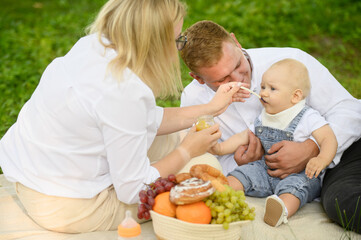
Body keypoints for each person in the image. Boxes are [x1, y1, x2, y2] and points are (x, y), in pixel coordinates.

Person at [0, 2, 242, 234]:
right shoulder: (124, 92)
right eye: (177, 40)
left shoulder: (95, 45)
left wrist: (210, 108)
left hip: (32, 172)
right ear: (154, 44)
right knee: (201, 179)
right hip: (67, 205)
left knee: (189, 147)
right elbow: (133, 190)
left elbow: (140, 119)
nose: (177, 49)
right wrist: (186, 151)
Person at [180, 20, 361, 232]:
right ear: (198, 79)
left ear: (236, 42)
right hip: (263, 173)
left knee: (345, 201)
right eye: (223, 79)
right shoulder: (194, 101)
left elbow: (349, 110)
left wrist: (312, 148)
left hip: (338, 154)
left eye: (238, 65)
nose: (239, 80)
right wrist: (239, 162)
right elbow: (210, 156)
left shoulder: (290, 62)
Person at [210, 59, 337, 227]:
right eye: (262, 87)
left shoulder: (307, 116)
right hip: (266, 169)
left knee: (296, 189)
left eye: (272, 88)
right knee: (243, 173)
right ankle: (221, 193)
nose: (263, 93)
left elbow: (329, 139)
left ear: (295, 96)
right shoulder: (264, 115)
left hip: (300, 173)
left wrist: (321, 160)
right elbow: (244, 136)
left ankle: (281, 209)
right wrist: (220, 148)